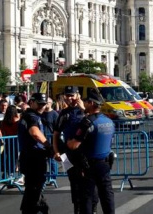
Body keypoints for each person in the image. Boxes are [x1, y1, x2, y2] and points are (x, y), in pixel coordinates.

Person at [67, 89, 115, 214]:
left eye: (87, 102)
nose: (85, 104)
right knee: (107, 195)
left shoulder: (87, 122)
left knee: (86, 197)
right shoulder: (108, 121)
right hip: (105, 164)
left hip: (89, 165)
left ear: (92, 103)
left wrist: (67, 142)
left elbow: (74, 145)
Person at [53, 86, 96, 214]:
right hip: (69, 154)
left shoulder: (86, 110)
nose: (69, 98)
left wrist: (84, 109)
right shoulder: (63, 113)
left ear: (78, 95)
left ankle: (93, 209)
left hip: (86, 153)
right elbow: (56, 134)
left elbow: (95, 122)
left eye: (72, 95)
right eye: (67, 95)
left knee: (90, 183)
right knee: (74, 183)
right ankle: (77, 209)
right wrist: (56, 151)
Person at [18, 93, 54, 214]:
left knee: (33, 188)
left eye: (44, 104)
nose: (42, 106)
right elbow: (34, 132)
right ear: (32, 102)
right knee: (34, 188)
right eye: (40, 104)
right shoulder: (31, 116)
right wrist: (48, 146)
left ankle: (35, 208)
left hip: (31, 156)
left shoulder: (31, 115)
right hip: (33, 157)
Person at [0, 105, 22, 184]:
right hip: (17, 141)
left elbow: (3, 131)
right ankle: (12, 175)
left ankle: (7, 174)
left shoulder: (4, 122)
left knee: (9, 158)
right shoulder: (17, 121)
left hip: (8, 141)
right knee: (15, 158)